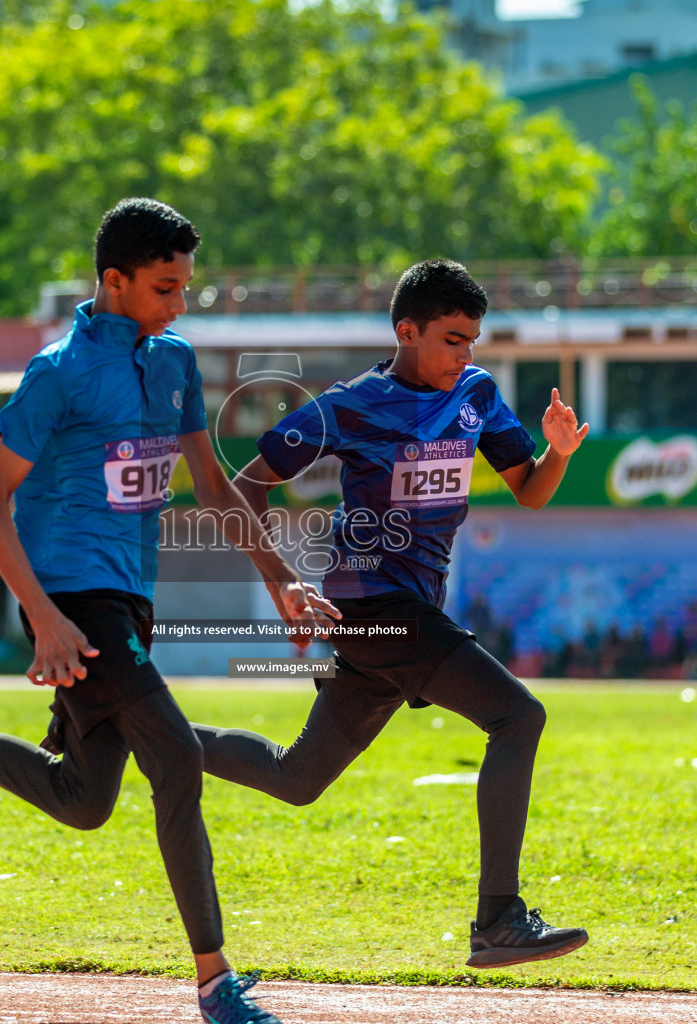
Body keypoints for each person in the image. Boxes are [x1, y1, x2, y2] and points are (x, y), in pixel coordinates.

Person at [0, 199, 336, 1024]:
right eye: (165, 288)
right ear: (113, 280)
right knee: (174, 760)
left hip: (129, 601)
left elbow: (209, 482)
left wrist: (278, 578)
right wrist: (46, 619)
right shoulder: (56, 372)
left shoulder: (174, 363)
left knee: (84, 801)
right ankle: (214, 982)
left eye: (185, 288)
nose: (179, 303)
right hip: (70, 601)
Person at [189, 259, 590, 970]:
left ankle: (133, 726)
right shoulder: (350, 405)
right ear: (407, 330)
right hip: (374, 604)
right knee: (518, 716)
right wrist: (282, 582)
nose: (464, 355)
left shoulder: (475, 394)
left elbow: (529, 490)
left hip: (399, 614)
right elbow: (242, 487)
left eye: (472, 341)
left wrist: (557, 453)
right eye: (452, 339)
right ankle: (498, 920)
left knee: (295, 779)